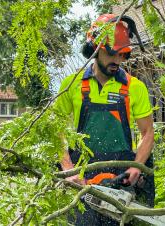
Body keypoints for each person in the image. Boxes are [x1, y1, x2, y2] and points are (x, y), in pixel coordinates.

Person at [54, 14, 154, 226]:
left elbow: (148, 133)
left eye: (123, 55)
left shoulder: (134, 87)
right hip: (81, 172)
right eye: (112, 54)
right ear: (95, 48)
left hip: (122, 172)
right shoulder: (71, 85)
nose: (118, 61)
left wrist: (136, 167)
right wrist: (68, 169)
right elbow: (56, 131)